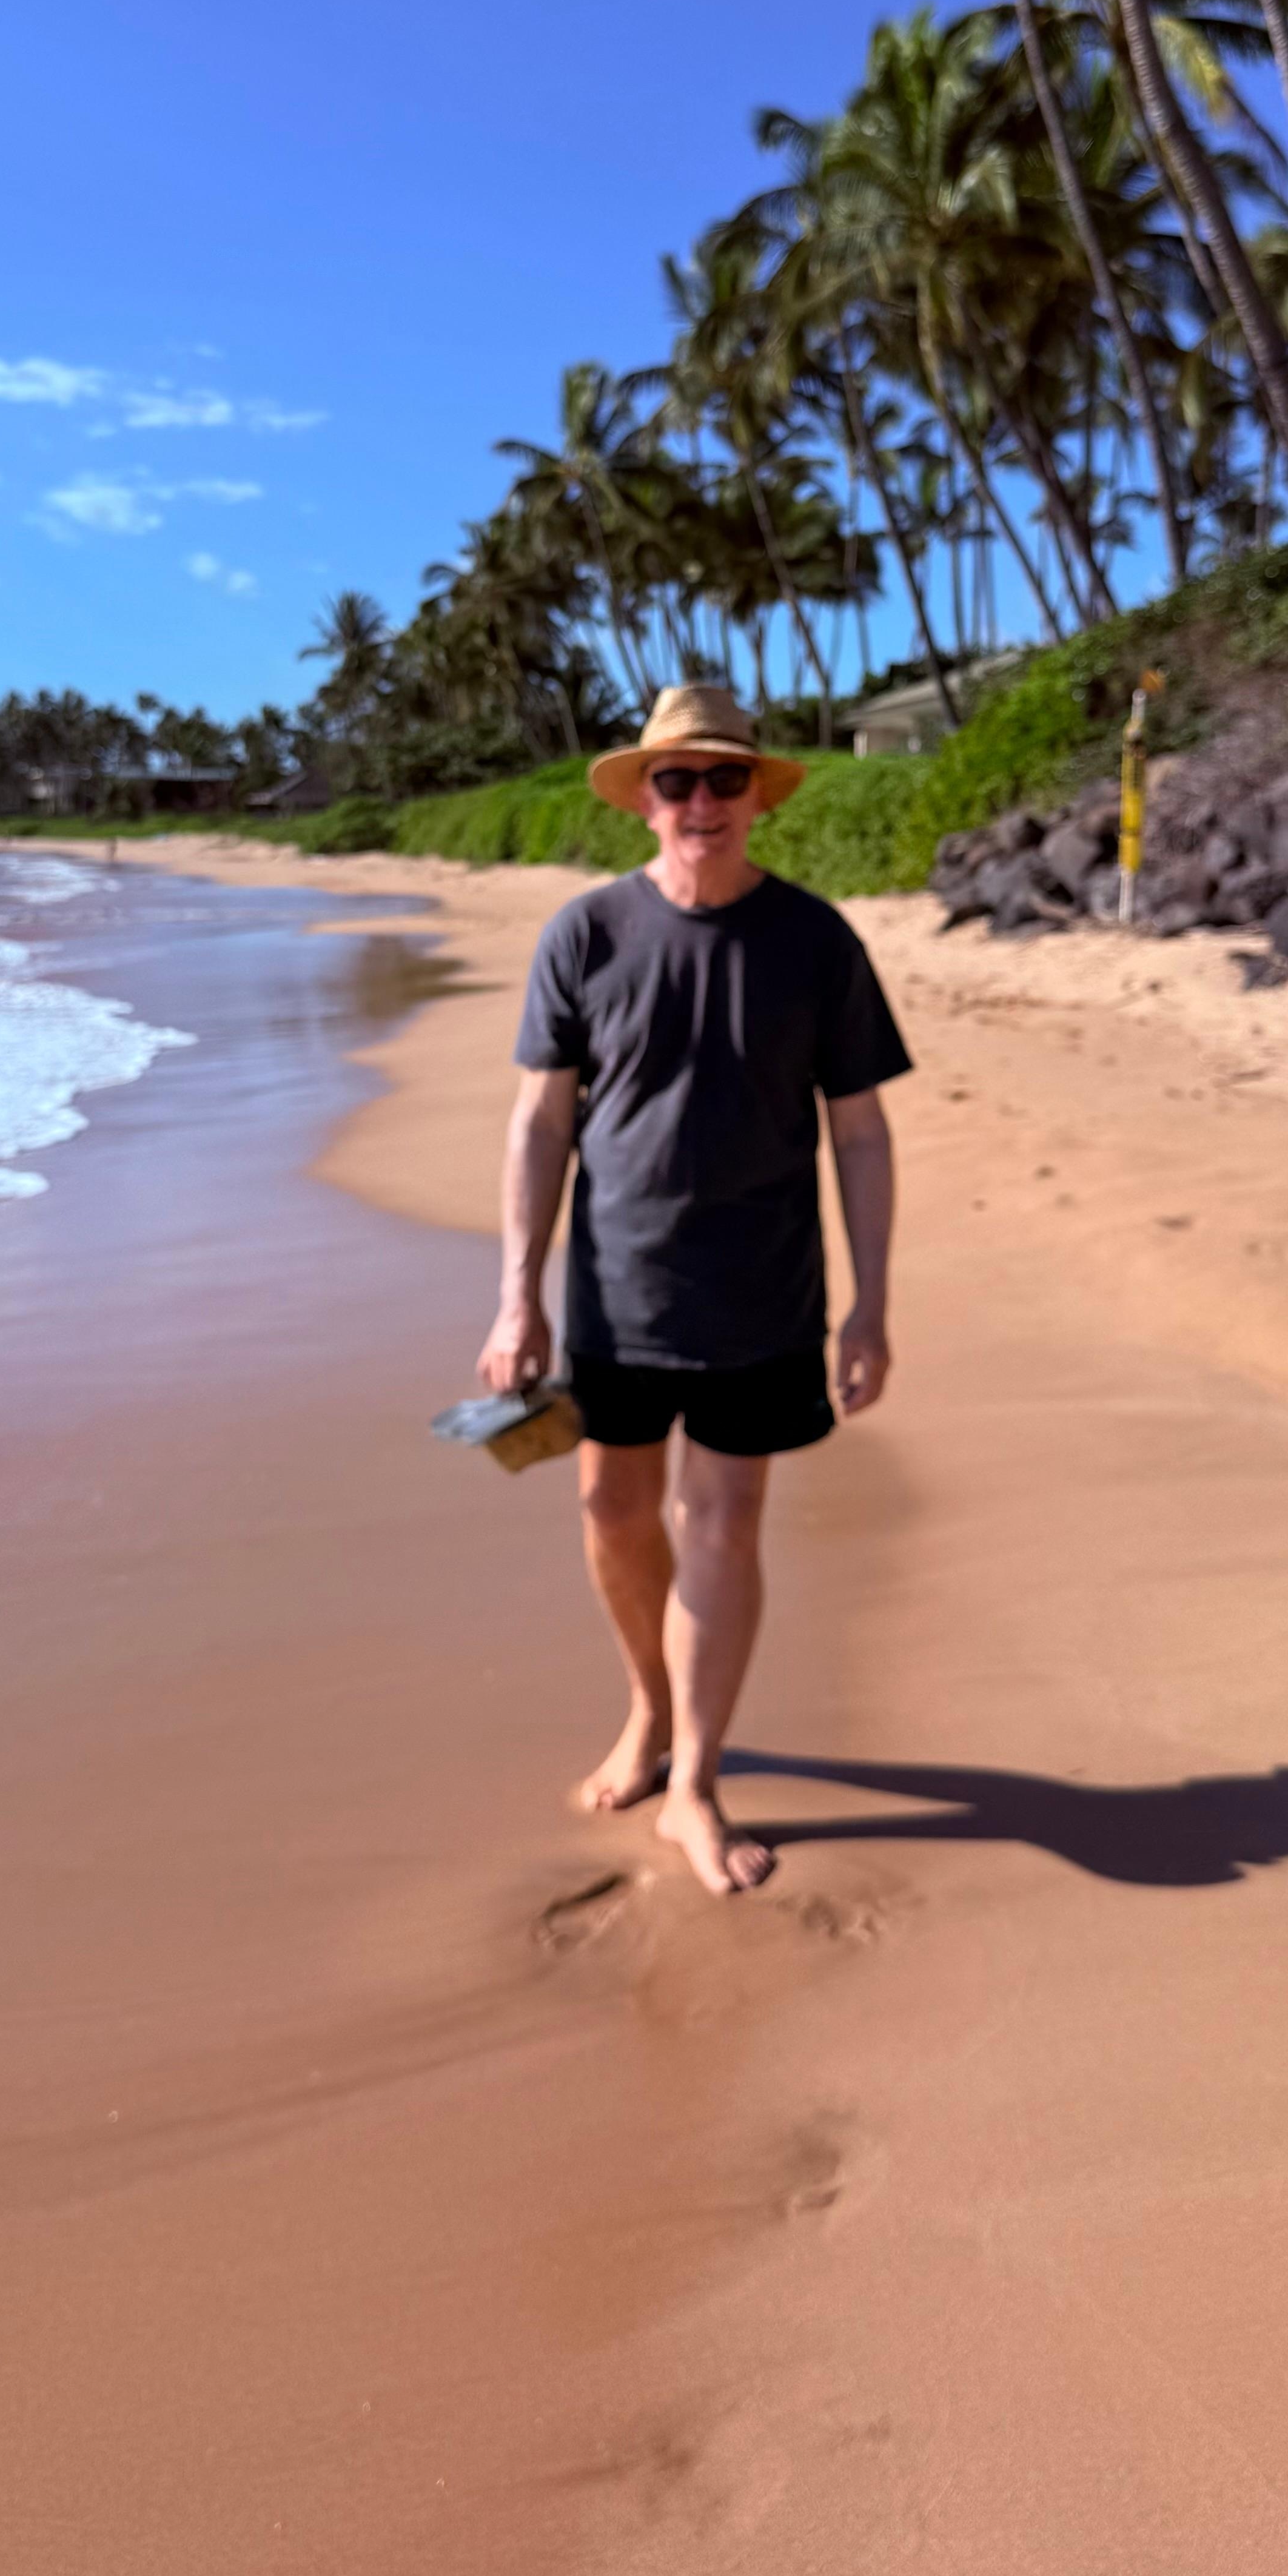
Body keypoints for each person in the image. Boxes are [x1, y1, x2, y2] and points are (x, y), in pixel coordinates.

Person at [478, 685, 911, 1896]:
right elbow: (541, 1120)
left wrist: (871, 1304)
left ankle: (698, 1786)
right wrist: (520, 1297)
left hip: (764, 1289)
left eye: (726, 781)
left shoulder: (816, 942)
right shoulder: (586, 934)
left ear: (757, 796)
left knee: (720, 1523)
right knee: (613, 1513)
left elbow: (861, 1133)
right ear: (647, 801)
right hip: (615, 1289)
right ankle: (648, 1712)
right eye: (679, 783)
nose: (703, 803)